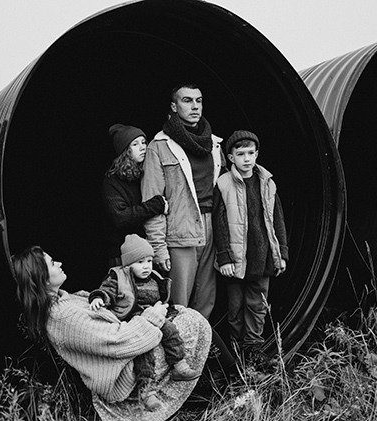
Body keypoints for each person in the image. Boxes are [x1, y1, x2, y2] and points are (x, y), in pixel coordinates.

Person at [9, 245, 210, 420]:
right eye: (53, 263)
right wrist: (151, 317)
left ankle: (224, 378)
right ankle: (225, 379)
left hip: (130, 352)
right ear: (43, 280)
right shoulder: (63, 316)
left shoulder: (66, 300)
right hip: (125, 375)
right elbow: (117, 342)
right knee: (191, 321)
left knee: (182, 314)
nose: (60, 263)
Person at [89, 234, 198, 411]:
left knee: (171, 330)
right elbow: (106, 290)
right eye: (140, 262)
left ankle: (179, 364)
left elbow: (163, 298)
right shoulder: (118, 277)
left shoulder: (154, 277)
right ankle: (147, 391)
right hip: (134, 320)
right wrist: (98, 298)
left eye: (149, 261)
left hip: (154, 314)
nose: (146, 266)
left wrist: (169, 310)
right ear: (128, 264)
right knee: (144, 351)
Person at [142, 83, 223, 318]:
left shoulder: (214, 144)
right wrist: (158, 247)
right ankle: (178, 354)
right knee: (179, 305)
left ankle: (198, 352)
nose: (194, 106)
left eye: (198, 100)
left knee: (206, 301)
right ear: (173, 106)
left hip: (212, 229)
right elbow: (152, 201)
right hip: (180, 231)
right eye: (187, 100)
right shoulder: (159, 146)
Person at [212, 130, 288, 367]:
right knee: (235, 305)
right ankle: (235, 347)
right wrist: (224, 257)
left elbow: (278, 220)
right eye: (241, 154)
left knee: (258, 304)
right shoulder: (223, 184)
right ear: (231, 157)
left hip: (262, 255)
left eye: (251, 153)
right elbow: (219, 222)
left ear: (257, 154)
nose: (247, 159)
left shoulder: (268, 182)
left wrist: (282, 253)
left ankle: (253, 348)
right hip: (236, 257)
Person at [102, 124, 165, 266]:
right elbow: (121, 217)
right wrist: (156, 205)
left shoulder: (146, 174)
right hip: (124, 255)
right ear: (125, 150)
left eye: (144, 142)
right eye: (135, 144)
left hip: (147, 251)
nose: (143, 147)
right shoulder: (112, 181)